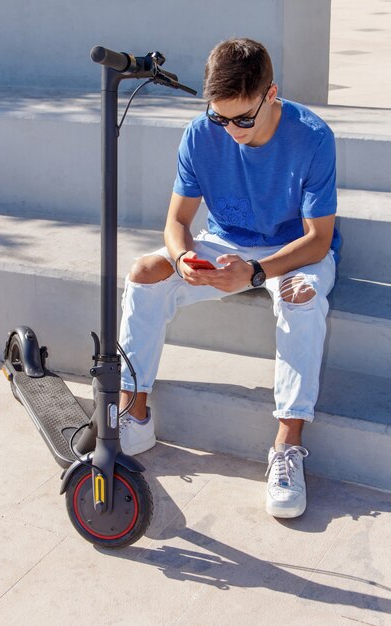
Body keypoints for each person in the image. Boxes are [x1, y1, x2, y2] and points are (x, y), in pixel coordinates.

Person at [117, 38, 340, 519]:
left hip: (292, 250)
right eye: (221, 117)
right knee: (144, 272)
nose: (232, 130)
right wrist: (183, 262)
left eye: (243, 118)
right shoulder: (201, 134)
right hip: (225, 242)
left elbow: (319, 239)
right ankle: (133, 414)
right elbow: (177, 224)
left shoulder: (313, 136)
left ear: (271, 94)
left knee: (300, 297)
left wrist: (256, 273)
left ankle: (287, 446)